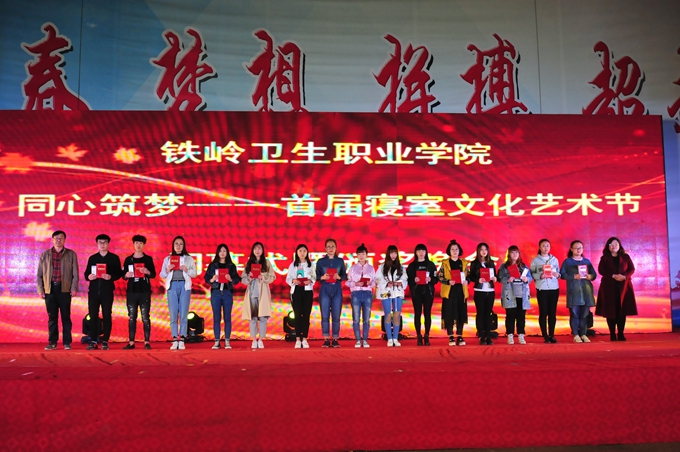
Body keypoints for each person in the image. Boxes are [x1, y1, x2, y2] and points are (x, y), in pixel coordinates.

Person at [37, 230, 79, 351]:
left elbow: (75, 273)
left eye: (61, 238)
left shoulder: (71, 254)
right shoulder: (45, 255)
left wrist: (73, 288)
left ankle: (67, 342)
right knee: (52, 318)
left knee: (66, 317)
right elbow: (39, 274)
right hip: (50, 290)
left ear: (64, 240)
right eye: (56, 238)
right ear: (52, 240)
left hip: (65, 289)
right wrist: (41, 289)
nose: (58, 240)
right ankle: (52, 342)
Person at [84, 234, 122, 350]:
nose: (102, 244)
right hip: (93, 292)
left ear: (108, 243)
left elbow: (119, 274)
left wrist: (110, 276)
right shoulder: (93, 258)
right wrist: (89, 277)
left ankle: (105, 340)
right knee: (93, 316)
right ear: (97, 244)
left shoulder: (114, 258)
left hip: (107, 292)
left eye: (104, 242)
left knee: (107, 315)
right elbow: (86, 274)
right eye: (100, 242)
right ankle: (93, 340)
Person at [596, 237, 637, 341]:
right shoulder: (604, 258)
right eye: (611, 244)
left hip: (624, 287)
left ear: (619, 246)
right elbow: (601, 270)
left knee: (622, 310)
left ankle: (621, 333)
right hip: (608, 287)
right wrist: (612, 275)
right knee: (610, 310)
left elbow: (631, 269)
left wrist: (624, 276)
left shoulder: (626, 257)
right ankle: (612, 334)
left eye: (616, 244)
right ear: (608, 246)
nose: (613, 246)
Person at [160, 236, 197, 350]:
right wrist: (168, 269)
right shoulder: (168, 259)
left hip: (184, 286)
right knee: (173, 313)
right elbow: (162, 274)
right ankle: (175, 338)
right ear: (173, 245)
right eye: (176, 243)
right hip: (172, 286)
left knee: (184, 313)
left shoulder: (189, 259)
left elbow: (194, 274)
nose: (178, 246)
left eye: (181, 244)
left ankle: (182, 339)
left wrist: (187, 270)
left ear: (183, 245)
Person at [122, 235, 156, 350]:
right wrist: (126, 275)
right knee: (132, 317)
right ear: (133, 244)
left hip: (144, 291)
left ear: (144, 245)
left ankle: (146, 342)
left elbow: (153, 274)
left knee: (145, 317)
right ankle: (131, 342)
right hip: (131, 291)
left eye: (141, 243)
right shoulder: (128, 259)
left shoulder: (148, 259)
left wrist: (147, 272)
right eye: (136, 243)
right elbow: (123, 275)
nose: (138, 245)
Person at [204, 244, 241, 350]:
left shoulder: (231, 265)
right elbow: (206, 278)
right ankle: (217, 341)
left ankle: (227, 341)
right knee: (216, 318)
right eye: (220, 251)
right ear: (217, 252)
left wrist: (230, 279)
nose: (222, 253)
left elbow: (237, 279)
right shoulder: (213, 265)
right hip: (216, 293)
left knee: (227, 318)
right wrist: (212, 279)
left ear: (227, 252)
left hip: (227, 293)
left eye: (224, 251)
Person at [241, 242, 276, 349]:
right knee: (253, 317)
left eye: (259, 248)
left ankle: (261, 339)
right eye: (255, 249)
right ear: (252, 250)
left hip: (263, 293)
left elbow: (272, 277)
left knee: (263, 317)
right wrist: (250, 277)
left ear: (262, 250)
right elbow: (243, 279)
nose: (257, 251)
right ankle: (253, 339)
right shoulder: (249, 263)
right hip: (252, 293)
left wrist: (263, 278)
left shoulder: (266, 263)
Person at [561, 240, 597, 343]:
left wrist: (590, 276)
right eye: (576, 248)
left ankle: (583, 334)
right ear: (571, 249)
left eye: (580, 248)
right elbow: (562, 274)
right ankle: (576, 334)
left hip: (586, 291)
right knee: (575, 314)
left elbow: (594, 275)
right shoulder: (567, 262)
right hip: (574, 292)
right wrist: (573, 276)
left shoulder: (587, 261)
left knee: (584, 314)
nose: (578, 250)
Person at [315, 238, 347, 348]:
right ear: (325, 248)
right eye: (328, 247)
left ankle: (335, 339)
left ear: (336, 248)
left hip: (337, 288)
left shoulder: (340, 261)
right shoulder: (320, 262)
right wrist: (322, 277)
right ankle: (326, 339)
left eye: (332, 246)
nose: (331, 248)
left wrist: (339, 277)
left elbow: (344, 275)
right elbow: (316, 276)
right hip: (325, 288)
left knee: (336, 315)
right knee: (325, 315)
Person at [498, 245, 533, 345]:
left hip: (522, 294)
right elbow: (499, 278)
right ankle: (510, 335)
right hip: (510, 294)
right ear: (509, 254)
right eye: (512, 252)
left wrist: (527, 279)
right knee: (510, 316)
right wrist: (507, 279)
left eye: (516, 252)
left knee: (521, 316)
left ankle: (521, 335)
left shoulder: (523, 266)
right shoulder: (504, 266)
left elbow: (530, 278)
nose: (515, 254)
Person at [438, 239, 470, 346]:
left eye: (456, 249)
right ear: (449, 251)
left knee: (461, 312)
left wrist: (467, 281)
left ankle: (460, 335)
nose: (455, 251)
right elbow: (440, 276)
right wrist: (448, 281)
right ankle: (451, 336)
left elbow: (469, 275)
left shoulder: (464, 263)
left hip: (461, 291)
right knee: (449, 313)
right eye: (452, 249)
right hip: (449, 291)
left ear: (459, 250)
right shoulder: (445, 263)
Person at [407, 244, 439, 346]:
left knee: (427, 313)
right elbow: (407, 280)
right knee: (417, 313)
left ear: (426, 252)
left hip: (428, 292)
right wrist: (414, 280)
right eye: (419, 251)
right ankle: (419, 336)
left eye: (423, 251)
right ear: (416, 253)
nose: (421, 253)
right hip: (416, 292)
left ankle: (427, 335)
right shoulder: (412, 266)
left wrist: (430, 279)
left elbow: (436, 279)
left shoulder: (431, 265)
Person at [376, 245, 408, 347]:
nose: (393, 255)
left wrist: (400, 283)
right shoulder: (382, 267)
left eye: (395, 253)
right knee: (388, 315)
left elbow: (405, 279)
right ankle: (389, 338)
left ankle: (395, 338)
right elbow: (377, 280)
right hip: (386, 293)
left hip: (397, 293)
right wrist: (386, 284)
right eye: (391, 253)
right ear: (388, 254)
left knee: (397, 315)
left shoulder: (401, 267)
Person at [530, 239, 561, 343]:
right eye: (543, 246)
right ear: (539, 247)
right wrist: (540, 276)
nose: (546, 248)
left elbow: (558, 273)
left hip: (554, 288)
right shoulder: (535, 260)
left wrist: (557, 275)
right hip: (542, 289)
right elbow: (531, 274)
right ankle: (545, 335)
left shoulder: (554, 260)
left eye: (547, 246)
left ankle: (552, 335)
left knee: (552, 312)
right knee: (543, 312)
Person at [285, 244, 316, 349]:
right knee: (297, 315)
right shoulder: (293, 265)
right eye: (300, 251)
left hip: (307, 291)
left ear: (307, 253)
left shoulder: (310, 265)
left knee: (306, 315)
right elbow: (288, 278)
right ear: (297, 253)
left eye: (304, 251)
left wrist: (310, 280)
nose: (302, 253)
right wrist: (293, 280)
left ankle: (305, 338)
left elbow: (314, 277)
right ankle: (298, 339)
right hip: (296, 290)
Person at [346, 243, 376, 348]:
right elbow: (347, 282)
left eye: (363, 254)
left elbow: (375, 281)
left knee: (366, 318)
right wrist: (355, 283)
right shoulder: (353, 268)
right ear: (356, 255)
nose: (361, 256)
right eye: (359, 254)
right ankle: (358, 340)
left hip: (367, 293)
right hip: (356, 294)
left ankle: (365, 340)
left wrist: (370, 283)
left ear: (366, 255)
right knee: (356, 318)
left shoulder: (371, 268)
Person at [468, 242, 498, 345]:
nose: (484, 251)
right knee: (480, 313)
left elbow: (495, 275)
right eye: (481, 249)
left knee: (488, 314)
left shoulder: (491, 263)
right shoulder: (474, 263)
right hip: (479, 291)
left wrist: (495, 278)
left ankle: (488, 336)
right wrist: (478, 280)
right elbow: (471, 276)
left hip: (490, 291)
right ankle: (481, 335)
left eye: (485, 249)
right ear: (478, 251)